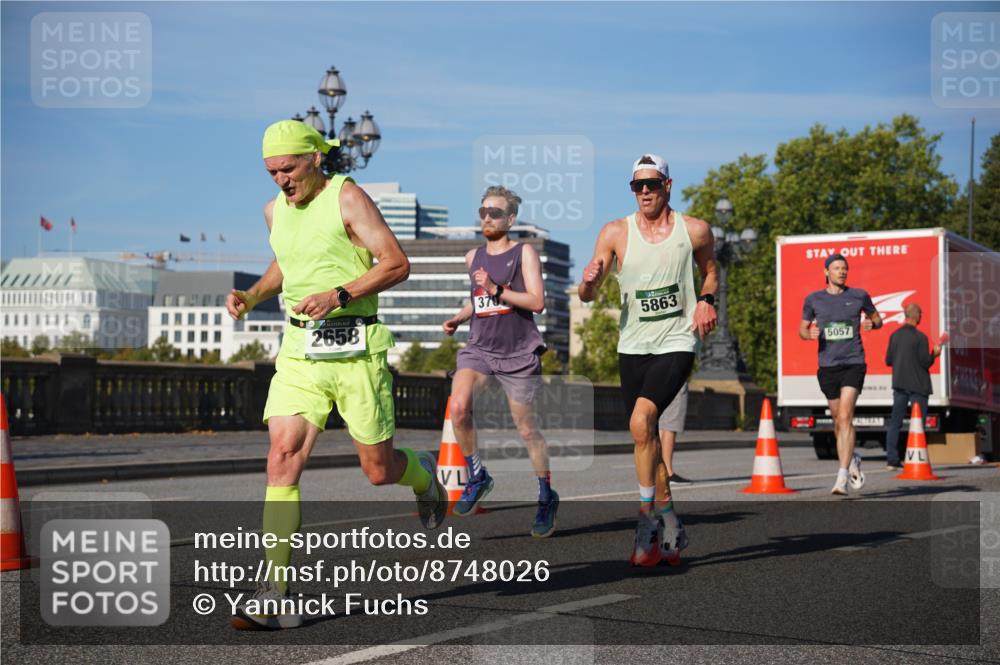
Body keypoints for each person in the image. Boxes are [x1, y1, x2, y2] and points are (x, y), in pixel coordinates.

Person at [227, 120, 447, 630]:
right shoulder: (273, 210)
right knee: (281, 454)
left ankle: (421, 473)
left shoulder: (347, 198)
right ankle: (274, 588)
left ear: (315, 159)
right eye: (271, 172)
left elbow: (395, 263)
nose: (281, 180)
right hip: (301, 349)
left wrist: (340, 294)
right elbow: (287, 262)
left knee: (377, 470)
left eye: (288, 168)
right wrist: (254, 295)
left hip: (355, 350)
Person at [579, 154, 718, 566]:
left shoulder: (693, 230)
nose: (644, 192)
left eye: (651, 185)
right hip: (632, 345)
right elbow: (589, 293)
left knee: (640, 423)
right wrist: (587, 284)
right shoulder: (615, 232)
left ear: (668, 186)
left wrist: (706, 301)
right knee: (647, 437)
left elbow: (710, 271)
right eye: (637, 186)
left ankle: (645, 524)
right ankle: (671, 519)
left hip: (676, 341)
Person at [441, 186, 558, 537]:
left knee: (527, 430)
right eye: (483, 212)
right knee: (458, 407)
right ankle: (477, 475)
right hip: (479, 347)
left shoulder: (524, 254)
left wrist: (496, 289)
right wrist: (459, 317)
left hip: (519, 352)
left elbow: (536, 302)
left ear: (510, 219)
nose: (488, 218)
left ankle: (545, 494)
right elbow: (478, 298)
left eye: (496, 213)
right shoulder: (471, 257)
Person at [799, 253, 883, 496]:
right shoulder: (814, 299)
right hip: (827, 366)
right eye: (836, 268)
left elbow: (877, 320)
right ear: (826, 272)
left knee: (846, 416)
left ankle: (842, 476)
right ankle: (852, 457)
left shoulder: (859, 296)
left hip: (853, 362)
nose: (842, 272)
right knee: (837, 419)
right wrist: (809, 334)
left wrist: (871, 324)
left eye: (844, 268)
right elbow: (802, 329)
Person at [884, 303, 946, 470]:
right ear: (916, 315)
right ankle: (917, 458)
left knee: (895, 423)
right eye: (920, 313)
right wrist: (935, 353)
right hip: (918, 386)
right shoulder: (920, 338)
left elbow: (888, 361)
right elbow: (925, 362)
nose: (921, 316)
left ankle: (892, 460)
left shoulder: (894, 335)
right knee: (918, 424)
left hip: (899, 385)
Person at [658, 383, 692, 485]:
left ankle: (659, 471)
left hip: (655, 374)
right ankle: (667, 473)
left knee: (661, 423)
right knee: (670, 424)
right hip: (673, 373)